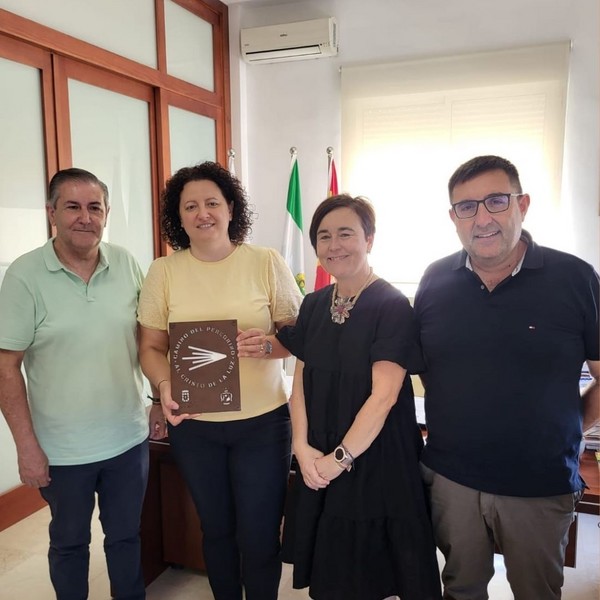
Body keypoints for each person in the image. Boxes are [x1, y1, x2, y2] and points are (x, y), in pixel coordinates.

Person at [414, 155, 600, 600]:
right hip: (451, 479)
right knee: (461, 587)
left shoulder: (575, 278)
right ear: (453, 217)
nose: (482, 218)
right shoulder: (435, 279)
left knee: (536, 591)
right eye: (466, 207)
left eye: (496, 201)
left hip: (538, 483)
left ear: (523, 204)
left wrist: (575, 427)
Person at [137, 161, 302, 600]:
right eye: (190, 205)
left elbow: (297, 335)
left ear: (231, 208)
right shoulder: (164, 271)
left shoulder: (265, 261)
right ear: (179, 215)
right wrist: (163, 387)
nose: (202, 212)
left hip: (263, 424)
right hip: (195, 425)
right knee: (216, 529)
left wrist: (269, 345)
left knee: (260, 530)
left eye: (212, 202)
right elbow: (151, 348)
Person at [270, 194, 442, 600]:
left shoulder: (392, 305)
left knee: (371, 571)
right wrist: (302, 446)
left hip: (375, 456)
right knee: (332, 573)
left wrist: (339, 459)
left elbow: (383, 398)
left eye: (346, 233)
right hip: (319, 451)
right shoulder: (312, 305)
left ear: (369, 239)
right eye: (324, 236)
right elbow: (300, 382)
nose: (334, 246)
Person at [0, 168, 152, 600]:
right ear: (51, 213)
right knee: (69, 545)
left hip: (127, 439)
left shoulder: (125, 263)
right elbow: (5, 367)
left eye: (94, 208)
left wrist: (159, 399)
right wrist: (27, 447)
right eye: (72, 207)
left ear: (105, 214)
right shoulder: (25, 276)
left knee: (126, 539)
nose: (85, 218)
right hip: (62, 451)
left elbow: (149, 339)